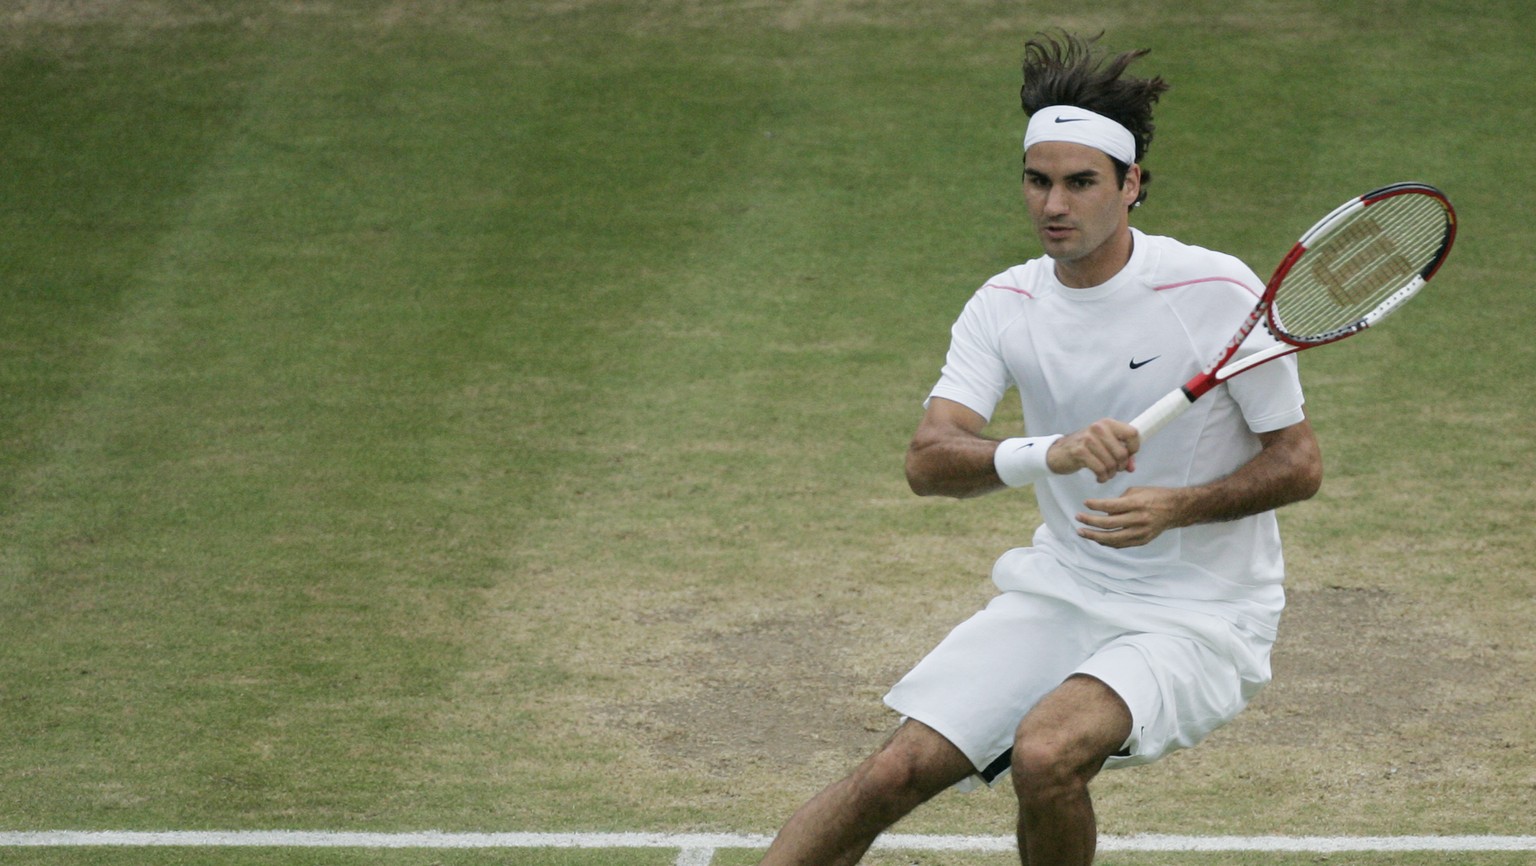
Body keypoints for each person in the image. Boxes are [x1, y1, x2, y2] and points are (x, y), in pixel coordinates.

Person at [757, 31, 1324, 866]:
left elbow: (1298, 462)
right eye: (1039, 181)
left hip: (1202, 616)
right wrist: (1045, 452)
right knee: (894, 771)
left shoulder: (1216, 293)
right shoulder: (1004, 304)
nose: (1055, 205)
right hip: (1063, 589)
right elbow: (929, 459)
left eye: (1081, 182)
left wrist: (1177, 507)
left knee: (1046, 752)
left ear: (1132, 186)